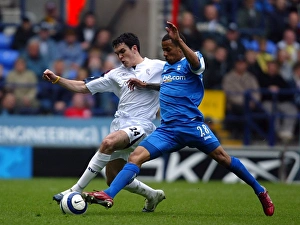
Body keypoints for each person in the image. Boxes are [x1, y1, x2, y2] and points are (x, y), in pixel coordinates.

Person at [83, 21, 275, 217]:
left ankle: (260, 190)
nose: (165, 54)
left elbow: (196, 65)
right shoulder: (167, 68)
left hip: (192, 126)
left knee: (223, 158)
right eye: (163, 50)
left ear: (179, 46)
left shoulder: (193, 61)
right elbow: (167, 86)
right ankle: (108, 194)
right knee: (135, 157)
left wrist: (179, 41)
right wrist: (146, 85)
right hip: (168, 131)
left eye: (168, 49)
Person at [42, 32, 166, 212]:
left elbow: (180, 81)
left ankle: (75, 189)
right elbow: (83, 87)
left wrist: (149, 86)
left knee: (108, 142)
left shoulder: (158, 67)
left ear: (134, 48)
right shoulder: (115, 74)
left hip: (142, 126)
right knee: (113, 178)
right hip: (120, 126)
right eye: (117, 54)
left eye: (123, 51)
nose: (120, 57)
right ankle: (152, 195)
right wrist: (57, 80)